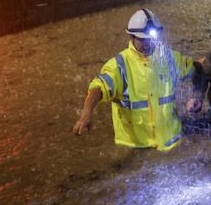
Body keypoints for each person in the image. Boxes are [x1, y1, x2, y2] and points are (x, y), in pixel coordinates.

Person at [72, 9, 198, 151]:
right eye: (142, 39)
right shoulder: (119, 66)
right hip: (136, 147)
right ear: (131, 36)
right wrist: (86, 114)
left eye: (150, 38)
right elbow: (98, 89)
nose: (147, 43)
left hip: (171, 142)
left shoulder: (169, 57)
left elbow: (194, 67)